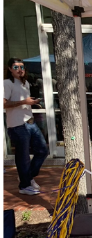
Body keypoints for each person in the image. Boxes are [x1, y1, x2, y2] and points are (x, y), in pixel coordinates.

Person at [3, 58, 49, 196]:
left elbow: (23, 103)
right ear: (10, 69)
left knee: (42, 150)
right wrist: (25, 101)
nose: (20, 70)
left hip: (30, 122)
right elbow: (4, 104)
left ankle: (27, 177)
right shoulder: (6, 83)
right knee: (23, 157)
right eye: (16, 67)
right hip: (17, 125)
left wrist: (31, 102)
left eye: (22, 67)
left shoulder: (25, 83)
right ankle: (24, 185)